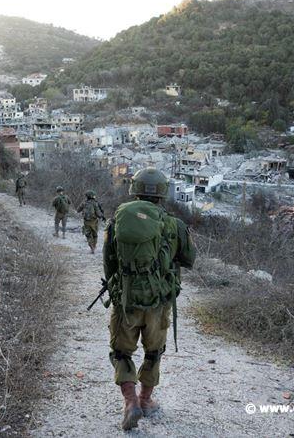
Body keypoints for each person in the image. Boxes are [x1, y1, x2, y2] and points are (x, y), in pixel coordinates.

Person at [102, 168, 196, 430]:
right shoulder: (173, 224)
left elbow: (108, 263)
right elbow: (189, 260)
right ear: (162, 194)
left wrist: (120, 287)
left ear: (134, 189)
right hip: (158, 302)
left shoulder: (117, 220)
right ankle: (146, 399)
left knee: (122, 352)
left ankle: (130, 402)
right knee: (153, 352)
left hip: (126, 300)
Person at [77, 190, 105, 254]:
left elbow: (78, 210)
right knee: (95, 234)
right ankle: (94, 246)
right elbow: (98, 213)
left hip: (86, 222)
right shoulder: (95, 203)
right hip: (94, 221)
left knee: (88, 235)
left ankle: (91, 247)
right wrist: (102, 216)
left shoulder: (84, 203)